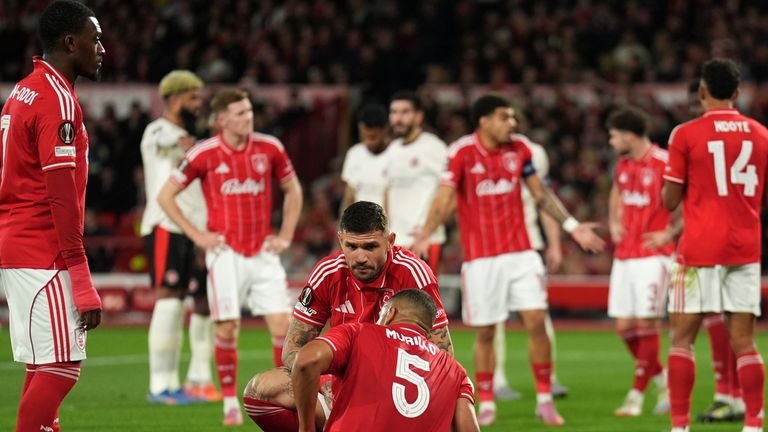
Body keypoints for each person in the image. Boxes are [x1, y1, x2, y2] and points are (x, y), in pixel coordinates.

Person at [412, 94, 605, 426]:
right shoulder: (460, 153)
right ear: (484, 120)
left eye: (513, 118)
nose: (512, 124)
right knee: (486, 332)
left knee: (536, 320)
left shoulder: (520, 150)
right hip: (481, 260)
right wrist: (426, 232)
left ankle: (544, 398)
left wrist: (572, 226)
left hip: (521, 253)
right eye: (505, 117)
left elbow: (540, 193)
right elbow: (444, 200)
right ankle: (486, 401)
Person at [157, 88, 303, 425]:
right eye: (239, 113)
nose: (247, 118)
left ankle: (285, 395)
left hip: (263, 251)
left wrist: (286, 235)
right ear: (221, 119)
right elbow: (167, 195)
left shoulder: (270, 148)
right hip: (224, 253)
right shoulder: (203, 153)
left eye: (249, 111)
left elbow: (293, 189)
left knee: (284, 326)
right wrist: (196, 235)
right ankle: (229, 404)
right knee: (227, 329)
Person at [242, 201, 454, 432]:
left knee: (457, 400)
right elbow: (293, 349)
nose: (360, 257)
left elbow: (443, 354)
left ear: (390, 242)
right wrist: (331, 383)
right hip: (340, 383)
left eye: (371, 247)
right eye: (352, 247)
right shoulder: (327, 273)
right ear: (341, 240)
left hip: (396, 387)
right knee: (261, 390)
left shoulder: (413, 274)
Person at [0, 1, 104, 430]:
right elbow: (61, 196)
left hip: (19, 241)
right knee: (63, 364)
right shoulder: (58, 101)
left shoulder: (24, 88)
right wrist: (80, 276)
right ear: (69, 41)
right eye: (95, 39)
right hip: (45, 249)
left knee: (42, 364)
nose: (102, 48)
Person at [663, 58, 767, 432]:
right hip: (745, 248)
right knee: (745, 340)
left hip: (698, 250)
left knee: (682, 339)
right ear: (737, 93)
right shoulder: (761, 134)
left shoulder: (685, 134)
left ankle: (679, 427)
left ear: (702, 92)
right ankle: (754, 425)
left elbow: (669, 201)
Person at [292, 289, 479, 432]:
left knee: (267, 392)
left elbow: (306, 362)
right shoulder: (456, 371)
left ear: (390, 313)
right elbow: (468, 427)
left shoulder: (358, 332)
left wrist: (305, 429)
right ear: (428, 331)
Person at [140, 70, 220, 405]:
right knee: (169, 297)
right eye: (192, 97)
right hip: (166, 226)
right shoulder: (159, 130)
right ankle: (161, 385)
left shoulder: (188, 136)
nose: (197, 104)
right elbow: (168, 142)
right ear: (173, 98)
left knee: (200, 300)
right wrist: (192, 144)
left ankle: (190, 382)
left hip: (194, 230)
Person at [605, 106, 673, 417]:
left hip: (653, 256)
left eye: (614, 135)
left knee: (647, 323)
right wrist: (614, 221)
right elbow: (617, 193)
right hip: (626, 255)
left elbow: (688, 198)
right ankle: (664, 381)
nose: (610, 141)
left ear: (630, 136)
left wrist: (670, 232)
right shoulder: (623, 164)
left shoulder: (663, 163)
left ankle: (635, 396)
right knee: (623, 327)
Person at [493, 127, 569, 401]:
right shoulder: (473, 154)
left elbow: (542, 199)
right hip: (491, 250)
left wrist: (554, 242)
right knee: (493, 318)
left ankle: (549, 377)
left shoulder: (533, 153)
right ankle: (497, 380)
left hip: (528, 244)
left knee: (538, 315)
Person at [684, 80, 745, 423]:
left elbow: (676, 197)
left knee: (710, 321)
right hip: (744, 238)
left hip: (708, 240)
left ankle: (728, 395)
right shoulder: (753, 133)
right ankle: (742, 405)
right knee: (736, 323)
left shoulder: (691, 137)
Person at [384, 91, 447, 274]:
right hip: (395, 242)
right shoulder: (391, 150)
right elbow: (388, 193)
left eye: (405, 112)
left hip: (423, 241)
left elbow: (447, 194)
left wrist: (427, 232)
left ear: (419, 116)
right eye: (394, 112)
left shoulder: (434, 148)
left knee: (421, 301)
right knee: (393, 301)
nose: (398, 118)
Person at [339, 103, 390, 211]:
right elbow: (349, 197)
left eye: (373, 137)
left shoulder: (397, 154)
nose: (368, 142)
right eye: (364, 136)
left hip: (389, 223)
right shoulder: (354, 154)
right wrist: (343, 223)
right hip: (361, 224)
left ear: (385, 130)